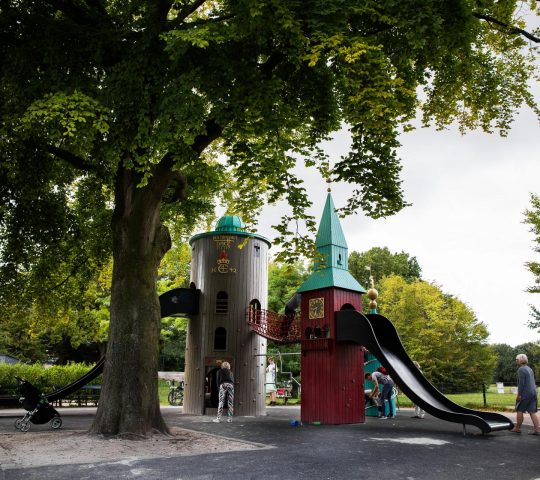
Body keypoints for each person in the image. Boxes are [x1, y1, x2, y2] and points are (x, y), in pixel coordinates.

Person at [510, 353, 540, 435]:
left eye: (517, 359)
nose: (516, 361)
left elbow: (521, 383)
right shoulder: (529, 369)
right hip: (533, 392)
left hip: (526, 393)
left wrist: (519, 395)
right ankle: (537, 430)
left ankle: (517, 428)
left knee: (519, 409)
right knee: (532, 411)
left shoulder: (521, 369)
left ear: (521, 360)